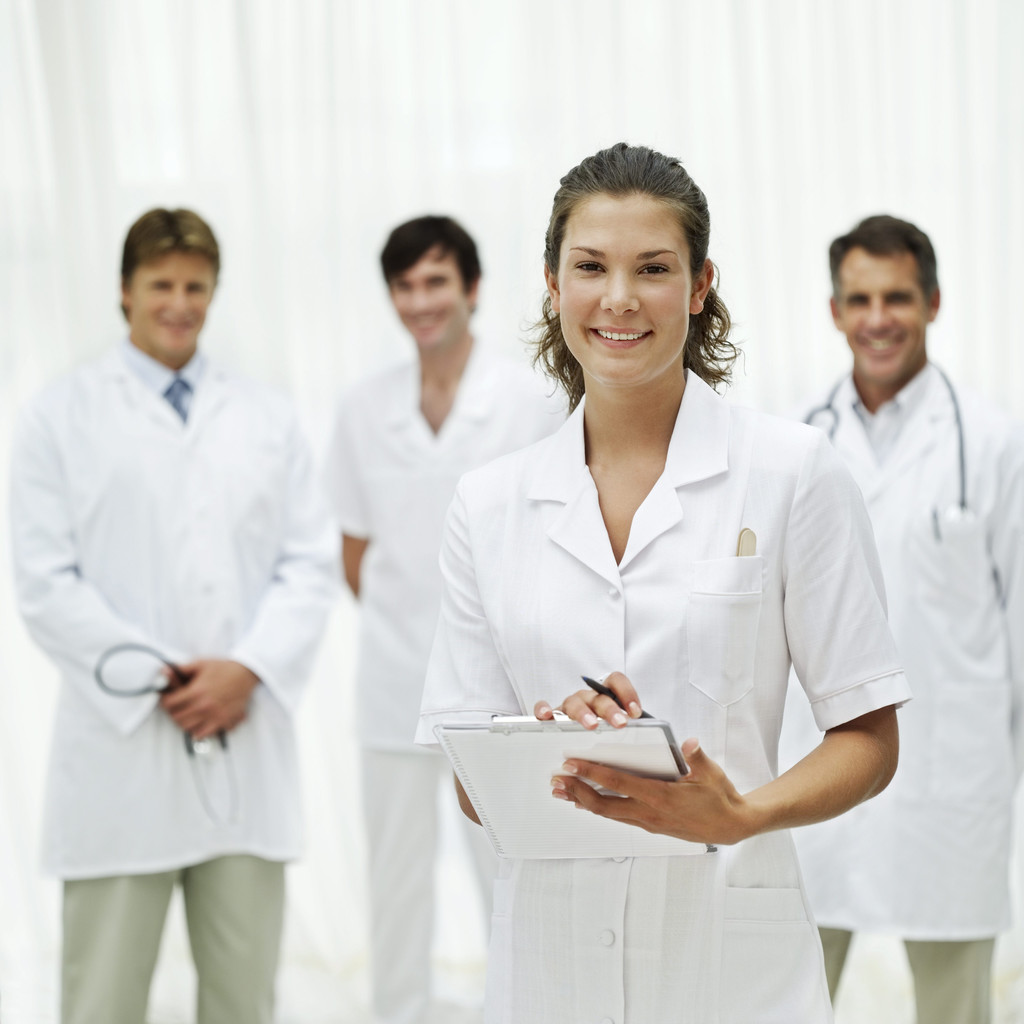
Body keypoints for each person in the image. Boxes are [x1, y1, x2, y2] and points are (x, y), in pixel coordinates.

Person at [415, 143, 912, 1024]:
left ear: (698, 284)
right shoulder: (487, 506)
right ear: (551, 283)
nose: (618, 298)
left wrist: (741, 815)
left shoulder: (794, 474)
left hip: (731, 959)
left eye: (652, 268)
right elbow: (468, 778)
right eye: (590, 267)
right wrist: (543, 745)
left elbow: (869, 735)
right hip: (550, 969)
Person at [10, 208, 338, 1024]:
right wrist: (166, 678)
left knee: (242, 1001)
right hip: (122, 753)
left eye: (196, 286)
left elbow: (309, 560)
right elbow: (46, 581)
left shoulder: (266, 416)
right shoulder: (61, 415)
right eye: (162, 284)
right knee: (102, 1003)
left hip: (243, 738)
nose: (180, 302)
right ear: (125, 291)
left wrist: (246, 671)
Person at [785, 214, 1024, 1024]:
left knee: (956, 1003)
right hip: (817, 760)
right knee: (786, 991)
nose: (878, 318)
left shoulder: (992, 445)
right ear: (834, 311)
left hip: (949, 776)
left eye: (897, 297)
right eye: (860, 298)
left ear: (933, 303)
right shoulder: (792, 444)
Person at [324, 215, 563, 1024]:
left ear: (472, 289)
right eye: (405, 285)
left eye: (436, 282)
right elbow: (353, 550)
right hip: (393, 678)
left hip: (496, 686)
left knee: (506, 867)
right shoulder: (363, 407)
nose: (420, 301)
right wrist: (410, 624)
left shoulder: (531, 401)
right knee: (394, 879)